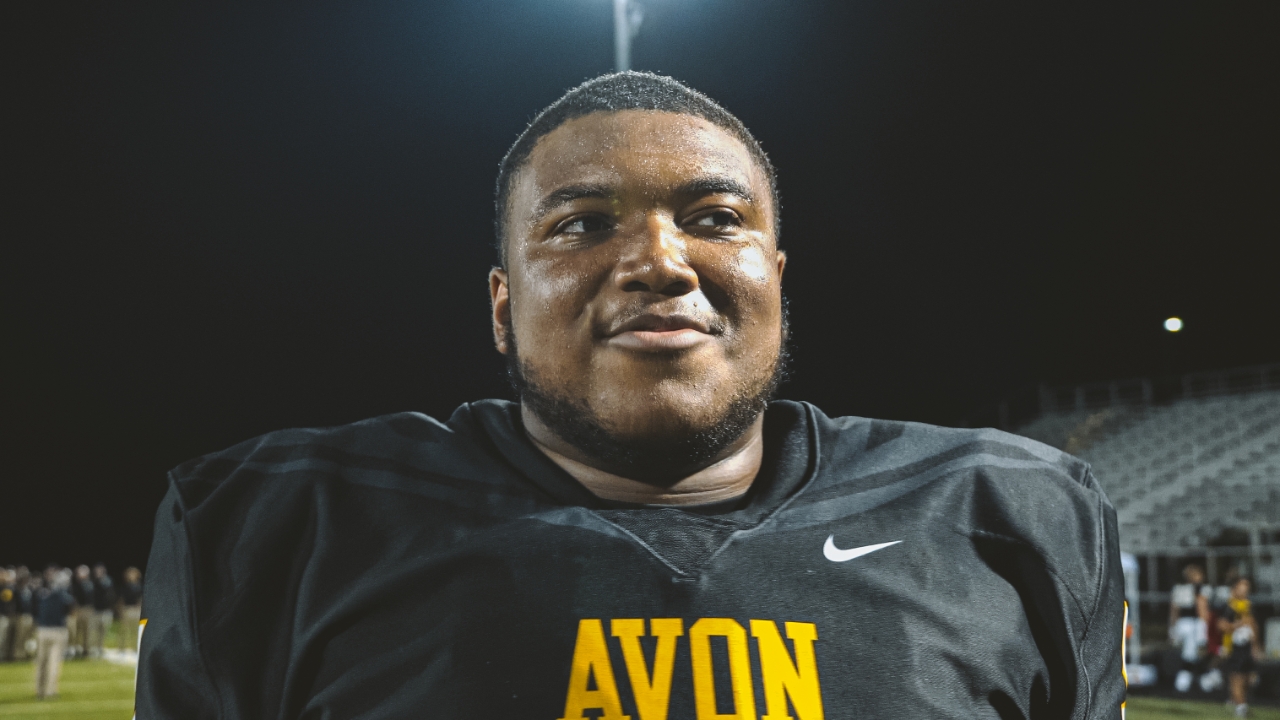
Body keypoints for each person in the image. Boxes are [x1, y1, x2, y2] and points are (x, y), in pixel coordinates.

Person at [137, 72, 1127, 719]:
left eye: (714, 217)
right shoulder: (282, 528)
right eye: (580, 225)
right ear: (502, 307)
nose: (660, 260)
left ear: (776, 281)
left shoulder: (1011, 516)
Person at [1219, 577, 1262, 718]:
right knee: (1236, 678)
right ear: (1234, 589)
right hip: (1234, 646)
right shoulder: (1228, 606)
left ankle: (1234, 699)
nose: (1244, 591)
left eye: (1246, 588)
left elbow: (1254, 625)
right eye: (1241, 587)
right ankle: (1241, 708)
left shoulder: (1249, 605)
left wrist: (1256, 645)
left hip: (1247, 646)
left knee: (1249, 678)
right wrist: (1239, 624)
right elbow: (1222, 626)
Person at [33, 566, 76, 699]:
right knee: (53, 662)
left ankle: (39, 690)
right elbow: (71, 608)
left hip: (42, 630)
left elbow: (35, 610)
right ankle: (50, 691)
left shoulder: (41, 593)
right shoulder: (62, 595)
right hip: (57, 631)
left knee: (41, 662)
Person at [1167, 563, 1211, 692]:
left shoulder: (1199, 589)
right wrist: (1173, 628)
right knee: (1191, 652)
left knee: (1195, 652)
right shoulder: (1185, 589)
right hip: (1190, 622)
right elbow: (1176, 610)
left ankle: (1194, 679)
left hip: (1193, 622)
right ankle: (1187, 681)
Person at [68, 564, 94, 658]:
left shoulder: (90, 584)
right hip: (78, 609)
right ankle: (76, 649)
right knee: (77, 631)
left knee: (87, 631)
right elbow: (72, 598)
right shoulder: (74, 585)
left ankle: (86, 649)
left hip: (88, 609)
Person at [90, 563, 115, 658]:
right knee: (94, 632)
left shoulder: (108, 581)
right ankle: (94, 649)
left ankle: (100, 648)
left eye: (100, 570)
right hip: (95, 611)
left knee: (103, 632)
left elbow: (111, 595)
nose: (98, 572)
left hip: (105, 611)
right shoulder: (92, 582)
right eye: (97, 570)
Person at [117, 567, 143, 652]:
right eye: (129, 574)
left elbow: (141, 599)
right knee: (124, 630)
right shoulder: (125, 586)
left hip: (136, 610)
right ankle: (121, 648)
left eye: (133, 574)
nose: (131, 575)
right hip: (127, 609)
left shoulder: (139, 586)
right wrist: (121, 610)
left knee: (135, 630)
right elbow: (121, 599)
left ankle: (135, 648)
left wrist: (140, 608)